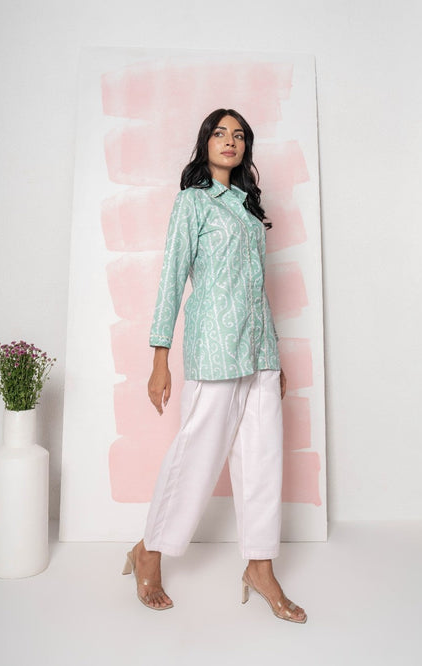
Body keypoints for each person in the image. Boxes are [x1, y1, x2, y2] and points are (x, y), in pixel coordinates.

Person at [121, 108, 307, 623]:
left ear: (246, 148)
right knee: (197, 456)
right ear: (205, 143)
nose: (230, 141)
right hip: (216, 349)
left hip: (259, 352)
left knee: (263, 459)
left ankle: (260, 567)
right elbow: (171, 277)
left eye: (239, 135)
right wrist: (160, 358)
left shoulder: (248, 210)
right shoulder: (192, 202)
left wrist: (275, 354)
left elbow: (259, 289)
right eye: (221, 133)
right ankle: (150, 551)